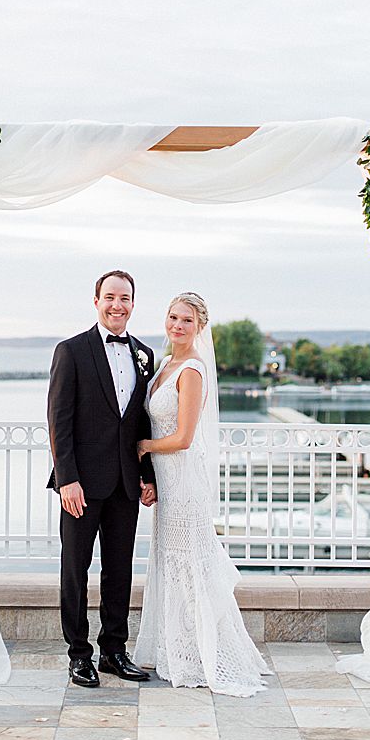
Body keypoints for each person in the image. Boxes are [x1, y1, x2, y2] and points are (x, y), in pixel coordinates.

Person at [133, 292, 272, 696]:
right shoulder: (164, 365)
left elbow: (183, 437)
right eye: (173, 317)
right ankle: (177, 648)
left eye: (187, 321)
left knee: (190, 566)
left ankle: (205, 654)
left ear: (200, 328)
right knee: (170, 563)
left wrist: (143, 447)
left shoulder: (192, 370)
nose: (178, 326)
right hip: (166, 483)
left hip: (185, 484)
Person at [47, 269, 158, 688]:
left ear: (133, 304)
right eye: (110, 297)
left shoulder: (144, 354)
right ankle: (79, 655)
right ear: (96, 301)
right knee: (75, 569)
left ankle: (114, 650)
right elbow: (59, 421)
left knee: (119, 570)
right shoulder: (71, 351)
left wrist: (147, 476)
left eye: (124, 298)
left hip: (125, 484)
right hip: (81, 484)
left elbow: (141, 423)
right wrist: (67, 479)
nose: (117, 305)